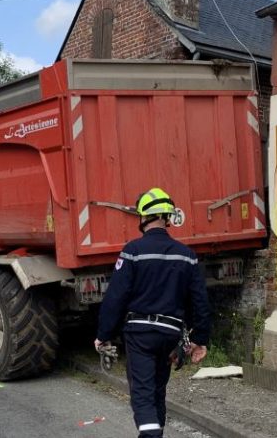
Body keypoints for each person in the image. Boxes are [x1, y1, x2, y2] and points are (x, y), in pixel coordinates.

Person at [95, 187, 211, 438]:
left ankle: (150, 436)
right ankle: (154, 433)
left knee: (143, 394)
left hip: (140, 334)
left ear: (145, 217)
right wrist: (199, 340)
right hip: (170, 334)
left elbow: (116, 297)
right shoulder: (187, 256)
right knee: (158, 391)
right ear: (167, 218)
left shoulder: (132, 251)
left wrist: (104, 334)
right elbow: (200, 301)